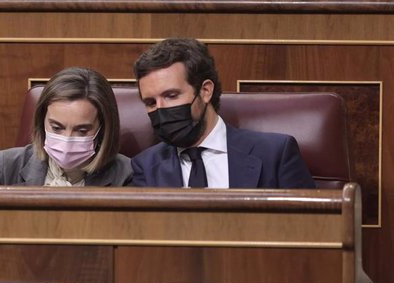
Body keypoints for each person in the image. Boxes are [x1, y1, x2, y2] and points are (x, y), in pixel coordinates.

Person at [130, 38, 315, 188]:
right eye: (150, 102)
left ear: (205, 91)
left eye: (171, 95)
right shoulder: (145, 167)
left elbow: (310, 228)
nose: (161, 109)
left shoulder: (274, 153)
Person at [0, 67, 132, 186]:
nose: (67, 139)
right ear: (41, 122)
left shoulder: (127, 175)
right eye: (57, 128)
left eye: (82, 131)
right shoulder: (7, 167)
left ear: (103, 130)